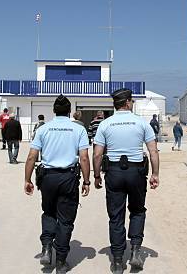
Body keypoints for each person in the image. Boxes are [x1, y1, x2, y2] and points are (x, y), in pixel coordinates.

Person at [93, 88, 160, 273]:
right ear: (128, 102)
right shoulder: (141, 123)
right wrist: (155, 174)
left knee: (116, 216)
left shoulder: (105, 124)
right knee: (137, 211)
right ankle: (136, 250)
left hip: (114, 172)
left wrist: (97, 175)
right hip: (136, 172)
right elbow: (153, 151)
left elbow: (97, 154)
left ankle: (116, 260)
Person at [24, 95, 90, 274]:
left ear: (54, 111)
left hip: (48, 177)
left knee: (49, 212)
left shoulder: (44, 129)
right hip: (68, 177)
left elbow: (32, 156)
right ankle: (60, 261)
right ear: (69, 112)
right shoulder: (78, 129)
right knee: (66, 219)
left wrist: (27, 179)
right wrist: (86, 180)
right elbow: (84, 157)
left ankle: (46, 247)